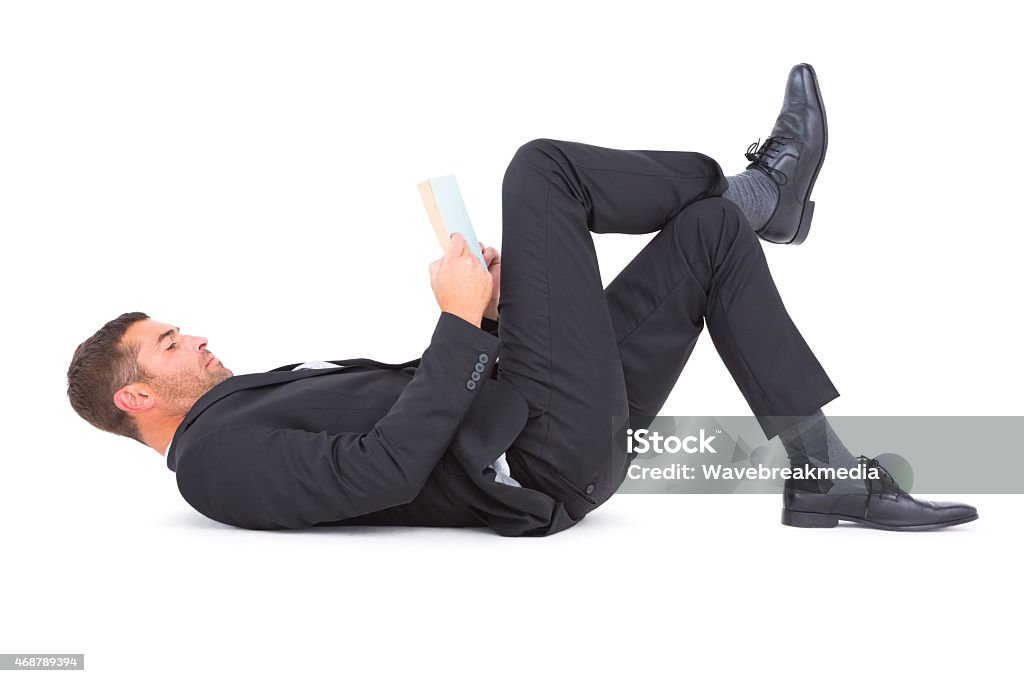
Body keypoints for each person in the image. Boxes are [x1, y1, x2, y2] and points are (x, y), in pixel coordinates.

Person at [67, 64, 977, 535]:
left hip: (537, 406)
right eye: (170, 342)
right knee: (539, 169)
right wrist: (457, 323)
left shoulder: (243, 400)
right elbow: (383, 469)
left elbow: (417, 411)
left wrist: (492, 318)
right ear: (134, 397)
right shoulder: (213, 466)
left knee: (709, 238)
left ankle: (823, 474)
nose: (198, 339)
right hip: (544, 455)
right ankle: (764, 192)